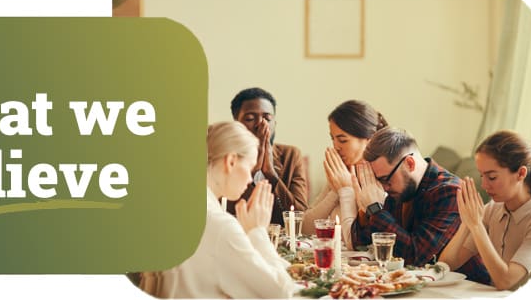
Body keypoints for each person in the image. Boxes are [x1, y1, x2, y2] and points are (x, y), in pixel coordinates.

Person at [141, 121, 295, 298]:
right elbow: (281, 294)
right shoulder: (220, 226)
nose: (249, 178)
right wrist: (257, 232)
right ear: (231, 161)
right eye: (250, 168)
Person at [439, 130, 531, 290]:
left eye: (492, 177)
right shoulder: (493, 209)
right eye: (482, 176)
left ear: (521, 173)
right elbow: (447, 265)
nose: (484, 185)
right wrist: (466, 224)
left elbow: (506, 282)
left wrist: (476, 226)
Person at [350, 127, 464, 266]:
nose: (384, 188)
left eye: (386, 179)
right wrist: (365, 209)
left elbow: (414, 256)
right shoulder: (397, 189)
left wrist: (375, 209)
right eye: (378, 181)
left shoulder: (450, 192)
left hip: (469, 285)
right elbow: (360, 246)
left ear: (409, 163)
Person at [302, 100, 388, 249]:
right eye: (332, 138)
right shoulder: (341, 172)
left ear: (369, 139)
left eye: (342, 140)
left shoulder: (382, 180)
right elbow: (305, 229)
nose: (336, 146)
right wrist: (336, 191)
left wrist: (346, 190)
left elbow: (354, 243)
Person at [227, 87, 308, 226]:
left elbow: (300, 215)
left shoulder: (291, 155)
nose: (261, 124)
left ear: (274, 124)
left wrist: (271, 174)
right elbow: (221, 211)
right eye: (250, 118)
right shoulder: (225, 158)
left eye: (267, 118)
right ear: (236, 124)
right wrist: (251, 171)